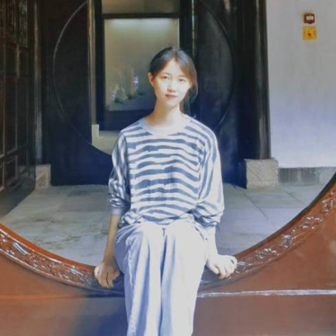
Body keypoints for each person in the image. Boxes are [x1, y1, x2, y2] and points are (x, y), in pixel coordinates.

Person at [94, 46, 237, 336]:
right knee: (147, 237)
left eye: (181, 79)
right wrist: (108, 257)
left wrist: (211, 252)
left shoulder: (202, 138)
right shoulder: (129, 137)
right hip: (138, 230)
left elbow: (209, 203)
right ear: (151, 79)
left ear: (190, 84)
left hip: (185, 230)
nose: (173, 87)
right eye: (165, 77)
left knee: (179, 238)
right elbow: (119, 202)